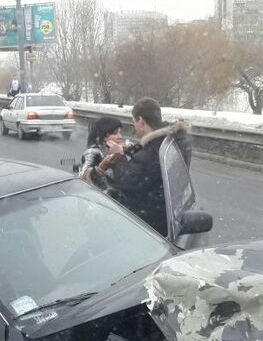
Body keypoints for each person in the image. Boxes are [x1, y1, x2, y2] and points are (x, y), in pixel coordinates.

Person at [109, 97, 191, 237]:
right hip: (168, 210)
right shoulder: (172, 140)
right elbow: (149, 164)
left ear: (140, 120)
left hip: (150, 224)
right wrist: (133, 150)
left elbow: (125, 182)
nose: (134, 126)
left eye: (134, 121)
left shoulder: (152, 153)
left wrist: (119, 157)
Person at [79, 116, 130, 196]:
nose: (120, 136)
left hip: (118, 200)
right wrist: (103, 166)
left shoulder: (117, 151)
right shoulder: (93, 153)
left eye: (120, 132)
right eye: (115, 133)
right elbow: (83, 180)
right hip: (101, 202)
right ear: (103, 136)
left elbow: (125, 178)